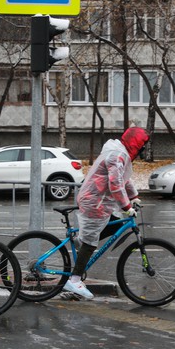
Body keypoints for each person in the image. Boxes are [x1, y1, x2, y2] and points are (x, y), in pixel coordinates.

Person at [63, 127, 150, 299]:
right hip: (95, 201)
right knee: (90, 241)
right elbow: (115, 183)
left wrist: (134, 197)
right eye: (142, 147)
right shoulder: (117, 155)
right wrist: (127, 207)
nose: (142, 151)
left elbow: (123, 178)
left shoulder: (119, 153)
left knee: (116, 223)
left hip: (98, 199)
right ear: (136, 144)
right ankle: (74, 279)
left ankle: (80, 241)